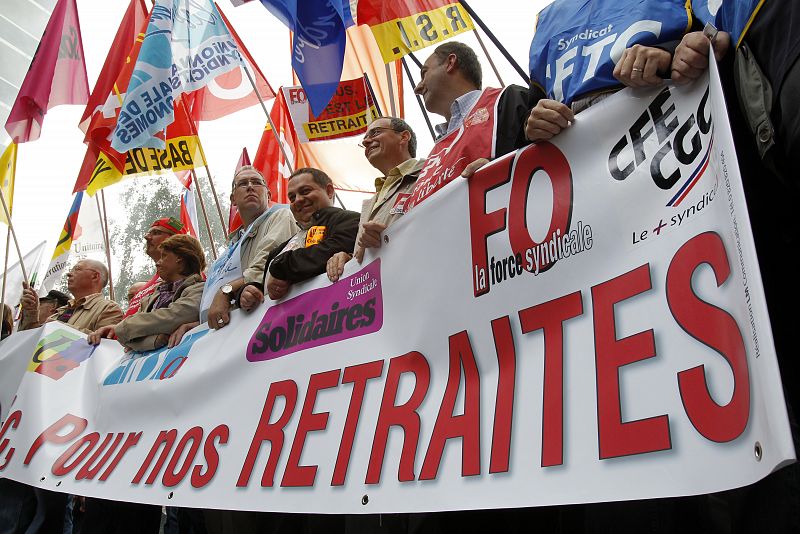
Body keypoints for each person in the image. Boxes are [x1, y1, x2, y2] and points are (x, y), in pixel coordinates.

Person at [525, 0, 690, 143]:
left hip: (671, 126)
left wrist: (667, 53)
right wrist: (533, 123)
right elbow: (535, 106)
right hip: (583, 159)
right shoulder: (546, 19)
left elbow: (710, 38)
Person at [409, 41, 531, 208]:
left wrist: (500, 172)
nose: (418, 88)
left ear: (450, 63)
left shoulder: (509, 102)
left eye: (424, 73)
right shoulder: (434, 155)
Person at [238, 167, 359, 309]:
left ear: (329, 191)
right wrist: (248, 291)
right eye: (292, 197)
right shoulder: (279, 250)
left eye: (305, 191)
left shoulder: (352, 220)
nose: (298, 200)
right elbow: (267, 286)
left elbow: (329, 250)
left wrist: (280, 266)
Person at [327, 117, 424, 282]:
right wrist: (349, 260)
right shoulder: (371, 203)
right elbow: (368, 253)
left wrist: (390, 237)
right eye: (364, 139)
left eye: (376, 132)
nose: (366, 141)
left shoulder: (431, 172)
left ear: (404, 137)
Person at [201, 166, 296, 329]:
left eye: (257, 182)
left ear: (268, 195)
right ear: (233, 199)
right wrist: (197, 325)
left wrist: (226, 291)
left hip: (270, 322)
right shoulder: (230, 248)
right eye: (243, 183)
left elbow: (265, 267)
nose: (250, 186)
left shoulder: (282, 216)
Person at [88, 234, 206, 352]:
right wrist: (155, 340)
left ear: (180, 258)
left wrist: (125, 328)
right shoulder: (152, 296)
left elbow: (175, 316)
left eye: (163, 256)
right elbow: (129, 341)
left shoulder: (199, 289)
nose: (157, 263)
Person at [19, 260, 123, 334]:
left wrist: (59, 328)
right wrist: (30, 312)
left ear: (95, 276)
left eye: (77, 269)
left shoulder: (109, 308)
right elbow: (31, 341)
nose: (69, 274)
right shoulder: (59, 312)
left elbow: (105, 346)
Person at [125, 217, 189, 317]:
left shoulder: (188, 276)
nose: (146, 237)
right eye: (149, 232)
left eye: (156, 233)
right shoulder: (149, 285)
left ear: (175, 240)